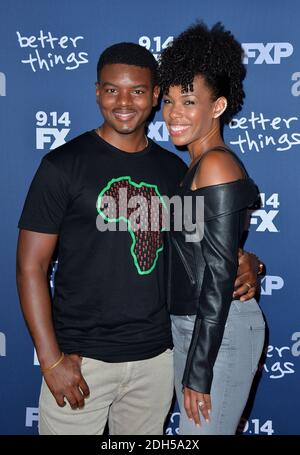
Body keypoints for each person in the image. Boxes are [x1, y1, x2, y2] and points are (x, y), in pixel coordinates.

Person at [16, 42, 262, 435]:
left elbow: (202, 250)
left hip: (159, 359)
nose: (124, 102)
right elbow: (31, 266)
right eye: (112, 89)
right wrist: (50, 360)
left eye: (139, 91)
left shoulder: (173, 170)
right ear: (97, 91)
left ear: (152, 96)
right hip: (81, 362)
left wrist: (248, 261)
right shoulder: (62, 166)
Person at [159, 22, 265, 435]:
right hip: (195, 326)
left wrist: (199, 370)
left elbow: (220, 274)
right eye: (168, 101)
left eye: (188, 101)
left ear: (217, 107)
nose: (174, 113)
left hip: (220, 332)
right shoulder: (196, 167)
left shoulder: (217, 164)